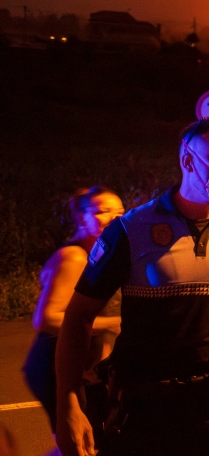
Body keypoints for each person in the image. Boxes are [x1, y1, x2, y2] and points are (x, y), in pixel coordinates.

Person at [55, 118, 209, 456]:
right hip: (144, 410)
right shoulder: (131, 230)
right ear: (188, 160)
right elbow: (79, 316)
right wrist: (68, 405)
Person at [23, 187, 123, 453]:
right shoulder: (74, 257)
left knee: (88, 442)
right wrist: (114, 323)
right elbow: (45, 319)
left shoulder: (99, 255)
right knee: (83, 444)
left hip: (78, 367)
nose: (114, 218)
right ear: (82, 218)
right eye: (103, 211)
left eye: (120, 212)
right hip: (54, 367)